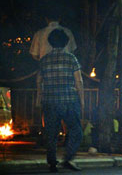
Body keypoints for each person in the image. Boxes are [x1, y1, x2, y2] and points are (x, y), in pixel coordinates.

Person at [36, 29, 84, 172]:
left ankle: (52, 163)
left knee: (51, 133)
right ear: (65, 42)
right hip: (69, 100)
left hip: (50, 100)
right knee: (76, 130)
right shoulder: (71, 58)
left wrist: (39, 99)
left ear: (51, 42)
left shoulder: (44, 60)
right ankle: (68, 158)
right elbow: (79, 81)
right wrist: (82, 100)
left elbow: (39, 81)